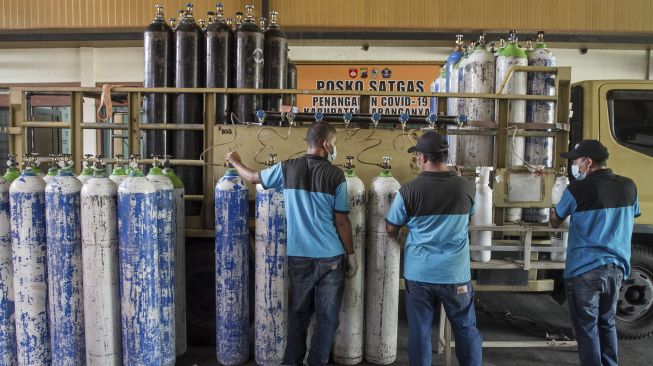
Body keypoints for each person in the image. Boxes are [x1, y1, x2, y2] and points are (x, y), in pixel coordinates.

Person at [225, 121, 356, 366]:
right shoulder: (336, 175)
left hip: (300, 257)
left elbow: (253, 178)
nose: (334, 149)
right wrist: (351, 255)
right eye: (334, 144)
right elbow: (342, 221)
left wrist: (235, 162)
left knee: (298, 315)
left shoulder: (287, 168)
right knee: (327, 319)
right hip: (331, 258)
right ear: (326, 144)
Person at [385, 131, 482, 366]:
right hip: (455, 274)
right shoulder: (467, 188)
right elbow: (469, 220)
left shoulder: (409, 191)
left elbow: (390, 227)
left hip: (419, 273)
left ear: (422, 158)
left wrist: (402, 236)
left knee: (419, 331)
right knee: (465, 327)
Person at [550, 140, 640, 366]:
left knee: (587, 327)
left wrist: (554, 206)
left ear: (588, 162)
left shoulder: (577, 190)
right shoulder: (629, 186)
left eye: (576, 162)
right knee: (606, 321)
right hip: (617, 269)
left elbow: (555, 221)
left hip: (585, 270)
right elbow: (633, 214)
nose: (575, 166)